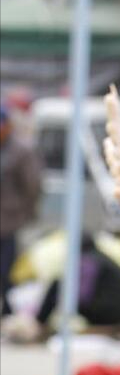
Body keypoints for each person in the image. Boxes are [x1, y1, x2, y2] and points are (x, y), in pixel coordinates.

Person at [1, 104, 43, 315]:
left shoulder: (21, 152)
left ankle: (9, 311)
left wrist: (24, 215)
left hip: (10, 224)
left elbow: (32, 187)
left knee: (8, 272)